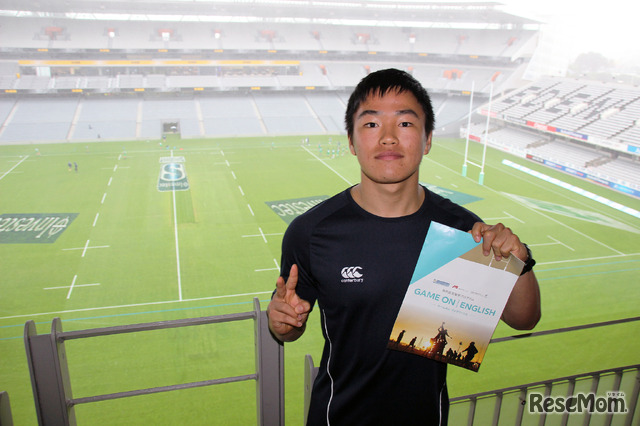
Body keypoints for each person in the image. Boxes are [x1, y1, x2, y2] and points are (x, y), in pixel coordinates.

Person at [266, 68, 541, 425]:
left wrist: (519, 261)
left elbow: (524, 319)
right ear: (351, 140)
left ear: (427, 140)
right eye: (371, 124)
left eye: (406, 124)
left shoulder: (463, 230)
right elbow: (290, 325)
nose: (389, 138)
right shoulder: (311, 232)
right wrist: (282, 322)